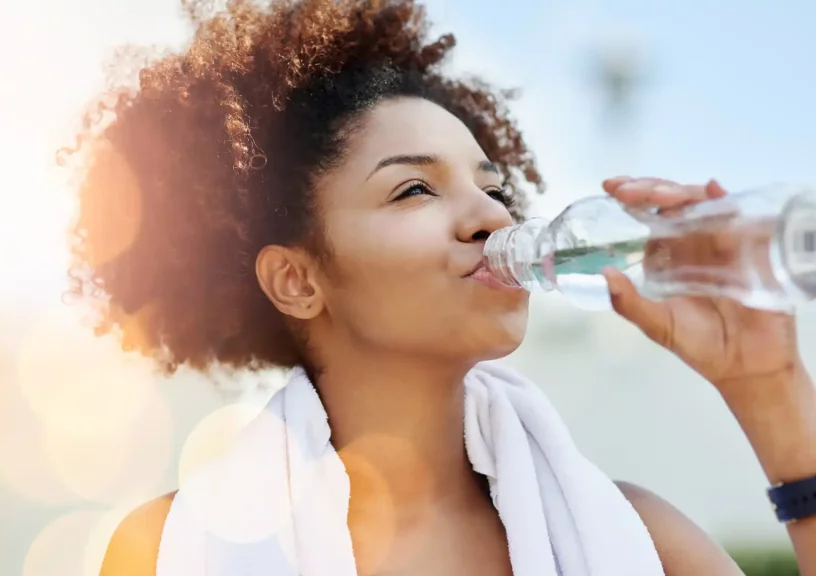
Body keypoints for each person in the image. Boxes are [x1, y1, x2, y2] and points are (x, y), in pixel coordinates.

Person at [62, 1, 816, 574]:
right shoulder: (168, 550)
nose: (492, 217)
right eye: (415, 189)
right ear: (296, 280)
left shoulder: (643, 540)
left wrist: (769, 388)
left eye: (494, 189)